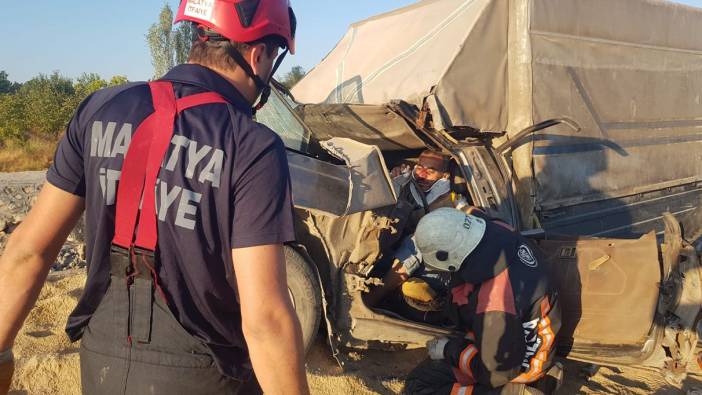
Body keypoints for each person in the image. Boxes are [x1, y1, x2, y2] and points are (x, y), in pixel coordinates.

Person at [0, 1, 309, 394]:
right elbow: (265, 317)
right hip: (206, 375)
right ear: (258, 54)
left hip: (101, 364)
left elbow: (29, 250)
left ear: (200, 36)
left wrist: (1, 350)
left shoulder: (99, 108)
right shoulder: (252, 146)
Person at [405, 208, 561, 395]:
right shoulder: (497, 230)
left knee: (419, 385)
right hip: (520, 334)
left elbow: (496, 372)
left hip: (520, 365)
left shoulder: (494, 303)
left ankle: (520, 391)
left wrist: (449, 350)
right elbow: (474, 213)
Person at [366, 150, 466, 309]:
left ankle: (377, 296)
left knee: (421, 236)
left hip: (431, 266)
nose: (422, 174)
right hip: (394, 254)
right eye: (420, 167)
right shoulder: (405, 184)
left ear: (444, 176)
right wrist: (392, 182)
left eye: (431, 171)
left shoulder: (454, 201)